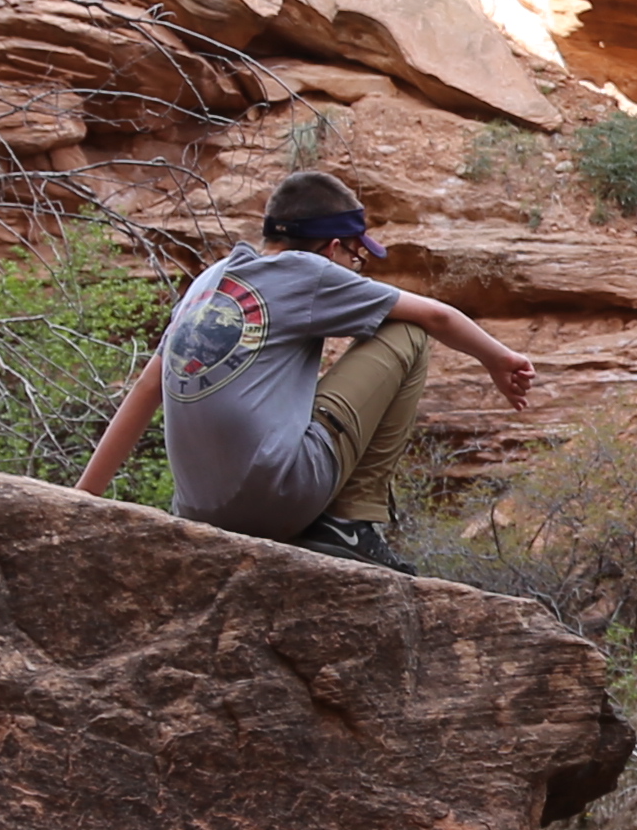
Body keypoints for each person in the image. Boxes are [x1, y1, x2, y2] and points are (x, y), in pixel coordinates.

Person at [77, 169, 537, 565]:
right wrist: (498, 358)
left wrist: (81, 501)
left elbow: (144, 391)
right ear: (333, 248)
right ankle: (350, 523)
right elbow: (436, 316)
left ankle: (329, 520)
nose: (357, 271)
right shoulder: (308, 272)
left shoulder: (208, 283)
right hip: (278, 499)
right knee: (408, 333)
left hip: (197, 512)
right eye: (357, 258)